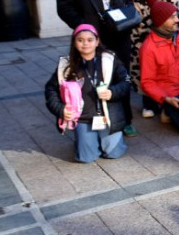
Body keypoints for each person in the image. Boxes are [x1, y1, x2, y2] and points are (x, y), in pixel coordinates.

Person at [56, 0, 137, 137]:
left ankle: (125, 119)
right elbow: (64, 7)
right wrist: (82, 26)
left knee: (120, 76)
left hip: (118, 34)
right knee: (94, 76)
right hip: (91, 37)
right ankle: (95, 116)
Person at [44, 24, 129, 163]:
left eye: (90, 40)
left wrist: (112, 92)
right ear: (74, 42)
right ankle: (85, 140)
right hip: (83, 117)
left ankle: (102, 140)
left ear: (97, 41)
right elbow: (50, 89)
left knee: (114, 153)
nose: (85, 43)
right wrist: (61, 109)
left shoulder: (110, 59)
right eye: (80, 40)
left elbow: (126, 81)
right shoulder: (66, 65)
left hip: (107, 116)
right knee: (86, 158)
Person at [131, 0, 179, 119]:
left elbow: (173, 23)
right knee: (146, 72)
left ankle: (164, 101)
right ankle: (148, 103)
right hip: (142, 38)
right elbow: (138, 24)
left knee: (166, 71)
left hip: (166, 40)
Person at [140, 0, 179, 133]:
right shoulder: (148, 48)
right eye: (172, 17)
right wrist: (166, 99)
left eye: (176, 16)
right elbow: (147, 82)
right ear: (161, 21)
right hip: (171, 95)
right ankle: (166, 110)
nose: (178, 20)